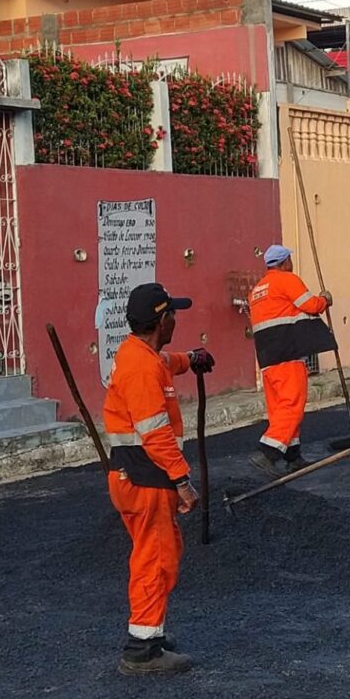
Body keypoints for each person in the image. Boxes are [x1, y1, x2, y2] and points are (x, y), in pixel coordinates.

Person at [103, 282, 215, 675]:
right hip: (145, 477)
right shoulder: (140, 367)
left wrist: (192, 358)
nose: (176, 322)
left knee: (157, 555)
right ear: (161, 320)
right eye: (173, 316)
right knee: (154, 560)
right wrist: (182, 481)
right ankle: (141, 651)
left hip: (139, 477)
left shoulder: (141, 354)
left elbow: (167, 363)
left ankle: (150, 635)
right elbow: (155, 433)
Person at [247, 245, 336, 478]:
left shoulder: (257, 290)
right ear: (285, 262)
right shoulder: (286, 280)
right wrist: (325, 299)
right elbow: (311, 305)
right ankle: (267, 452)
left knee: (279, 408)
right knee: (292, 404)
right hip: (287, 352)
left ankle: (292, 456)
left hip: (267, 357)